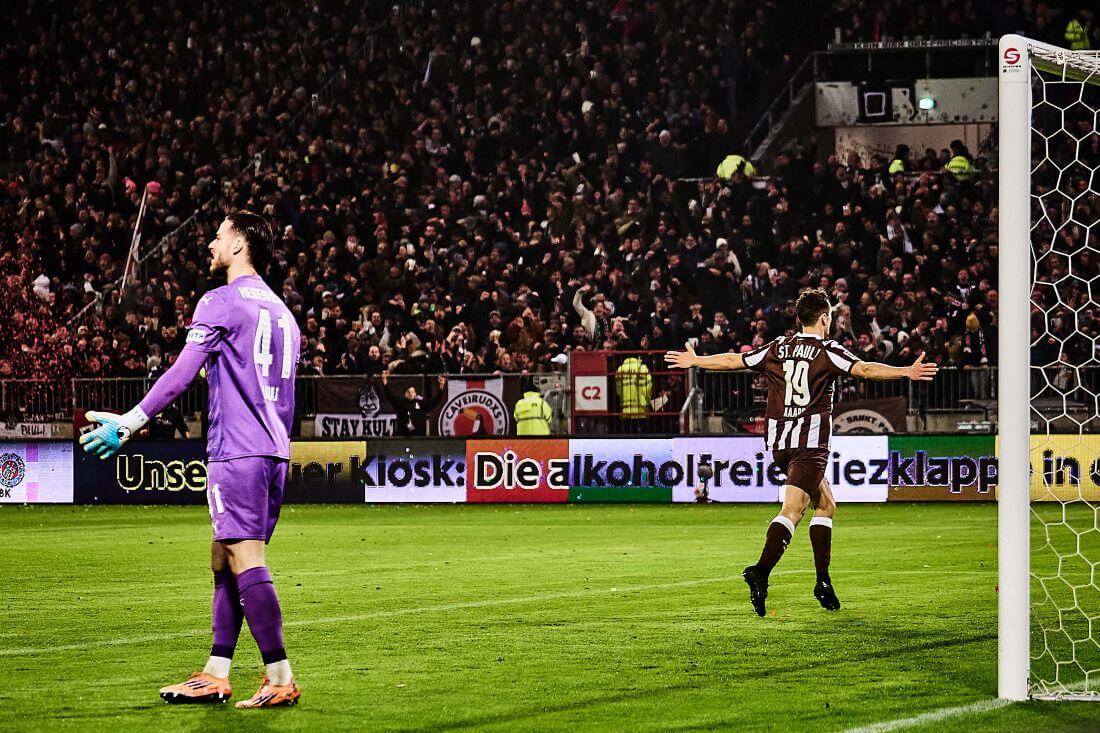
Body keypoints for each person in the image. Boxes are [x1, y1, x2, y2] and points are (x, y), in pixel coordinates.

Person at [79, 211, 302, 707]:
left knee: (245, 557)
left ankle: (281, 677)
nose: (210, 244)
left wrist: (129, 422)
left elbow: (181, 373)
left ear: (240, 244)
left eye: (219, 236)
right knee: (223, 555)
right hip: (273, 452)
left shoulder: (221, 302)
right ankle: (216, 672)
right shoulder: (284, 313)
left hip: (237, 451)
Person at [664, 288, 937, 616]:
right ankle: (760, 572)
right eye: (830, 317)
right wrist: (906, 371)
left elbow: (735, 360)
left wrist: (696, 361)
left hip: (779, 444)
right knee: (794, 509)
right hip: (808, 444)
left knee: (826, 504)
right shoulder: (827, 350)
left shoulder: (778, 346)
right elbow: (864, 369)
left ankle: (823, 582)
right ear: (824, 318)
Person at [382, 372, 446, 436]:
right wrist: (385, 382)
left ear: (415, 393)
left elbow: (435, 401)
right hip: (403, 436)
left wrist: (441, 387)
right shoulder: (401, 404)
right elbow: (389, 396)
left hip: (419, 436)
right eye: (408, 392)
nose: (410, 394)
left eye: (412, 392)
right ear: (405, 394)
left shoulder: (421, 403)